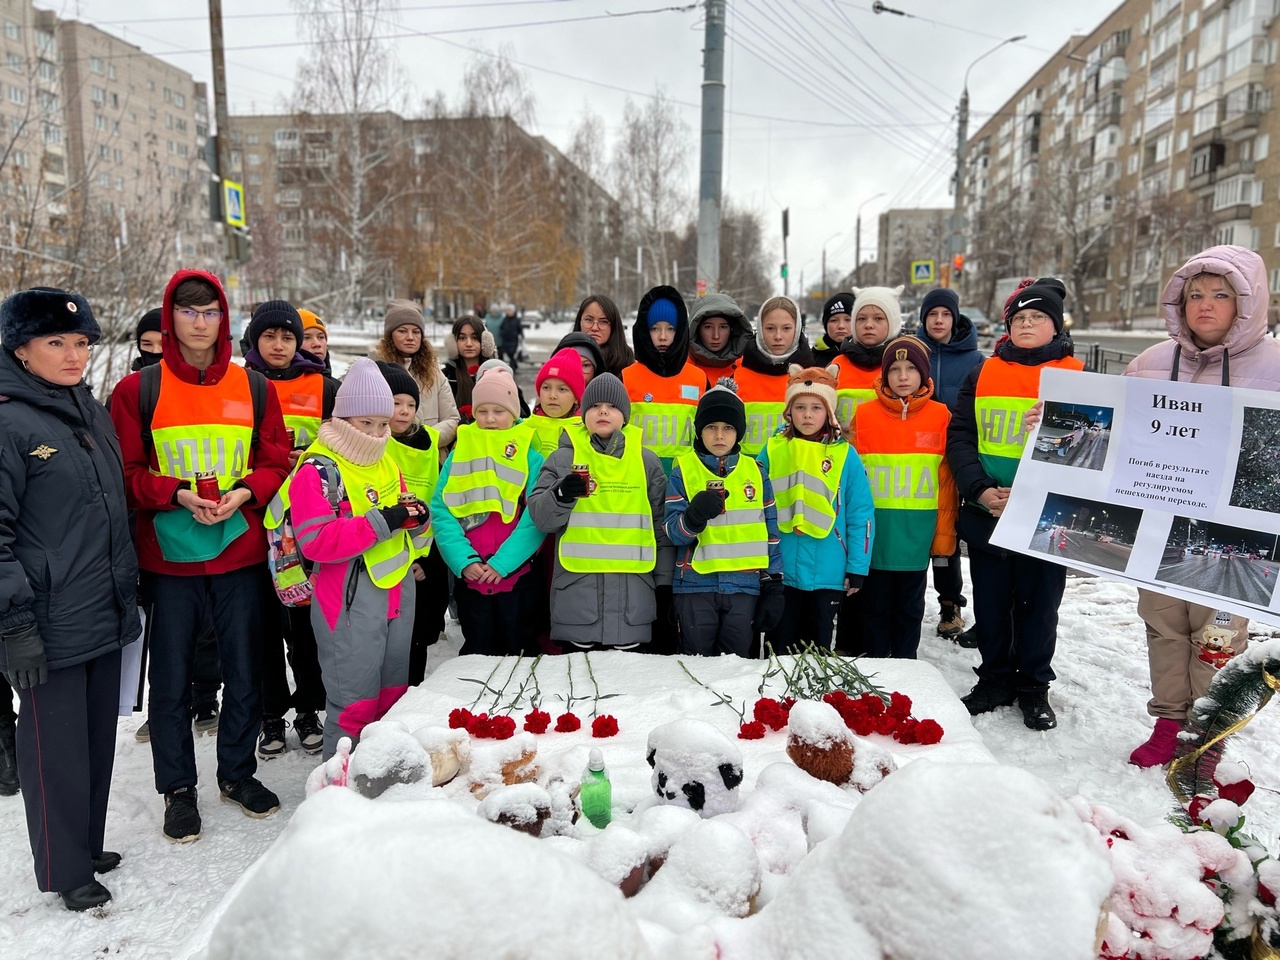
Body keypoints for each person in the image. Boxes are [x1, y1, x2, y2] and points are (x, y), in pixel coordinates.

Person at [111, 269, 290, 843]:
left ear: (224, 318)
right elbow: (125, 474)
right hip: (169, 561)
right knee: (171, 683)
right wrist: (177, 493)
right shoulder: (137, 390)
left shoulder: (254, 387)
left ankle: (237, 774)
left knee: (245, 673)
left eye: (210, 311)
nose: (199, 322)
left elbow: (276, 460)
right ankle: (177, 789)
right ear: (170, 318)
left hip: (238, 552)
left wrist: (245, 492)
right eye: (188, 311)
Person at [0, 287, 141, 910]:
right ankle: (63, 868)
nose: (73, 354)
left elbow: (109, 512)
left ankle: (83, 843)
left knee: (90, 742)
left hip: (99, 607)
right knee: (51, 749)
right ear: (20, 347)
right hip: (46, 619)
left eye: (81, 342)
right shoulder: (9, 419)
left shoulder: (84, 407)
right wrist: (14, 625)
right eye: (56, 342)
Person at [1124, 245, 1280, 766]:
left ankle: (1206, 735)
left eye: (1220, 294)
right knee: (1164, 625)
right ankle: (1169, 722)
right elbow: (1118, 428)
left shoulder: (1276, 366)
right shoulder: (1151, 363)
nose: (1205, 305)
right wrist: (1050, 415)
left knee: (1217, 635)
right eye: (1194, 295)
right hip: (1162, 525)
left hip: (1238, 535)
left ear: (1246, 302)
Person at [946, 277, 1084, 731]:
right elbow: (961, 436)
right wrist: (980, 489)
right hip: (990, 509)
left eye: (1037, 317)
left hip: (1048, 516)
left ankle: (1033, 687)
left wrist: (1061, 426)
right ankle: (995, 679)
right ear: (1007, 326)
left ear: (1054, 325)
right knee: (991, 602)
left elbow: (1098, 449)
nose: (1027, 324)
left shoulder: (1077, 377)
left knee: (1039, 606)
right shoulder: (982, 372)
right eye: (1019, 318)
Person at [279, 358, 427, 759]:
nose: (378, 433)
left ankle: (385, 784)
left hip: (395, 595)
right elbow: (316, 541)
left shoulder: (386, 461)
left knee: (392, 701)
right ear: (343, 418)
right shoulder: (318, 469)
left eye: (383, 424)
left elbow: (403, 523)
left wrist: (417, 520)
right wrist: (383, 521)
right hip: (346, 603)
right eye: (367, 423)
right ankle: (338, 796)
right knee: (353, 707)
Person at [244, 300, 339, 758]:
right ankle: (270, 715)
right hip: (254, 518)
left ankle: (308, 708)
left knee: (304, 622)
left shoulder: (324, 386)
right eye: (269, 337)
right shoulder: (240, 385)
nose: (279, 345)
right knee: (262, 624)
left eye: (287, 337)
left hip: (307, 523)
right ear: (255, 341)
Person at [529, 374, 673, 650]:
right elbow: (541, 518)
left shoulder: (647, 461)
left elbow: (660, 527)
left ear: (626, 416)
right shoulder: (562, 459)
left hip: (634, 604)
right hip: (577, 605)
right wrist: (561, 494)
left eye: (612, 406)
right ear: (583, 414)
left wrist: (664, 586)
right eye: (594, 406)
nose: (603, 411)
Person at [849, 336, 957, 659]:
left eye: (911, 368)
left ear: (924, 374)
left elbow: (947, 485)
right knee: (875, 608)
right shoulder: (864, 415)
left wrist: (943, 538)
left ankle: (906, 669)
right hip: (875, 536)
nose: (903, 376)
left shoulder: (940, 416)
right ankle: (876, 672)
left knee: (910, 609)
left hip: (916, 536)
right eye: (894, 369)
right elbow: (851, 480)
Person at [758, 364, 875, 654]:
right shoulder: (772, 449)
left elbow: (862, 513)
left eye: (815, 407)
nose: (807, 415)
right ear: (789, 411)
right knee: (779, 647)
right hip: (781, 568)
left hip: (828, 571)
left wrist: (857, 567)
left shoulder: (844, 454)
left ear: (829, 413)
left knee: (818, 648)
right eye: (799, 407)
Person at [431, 367, 546, 656]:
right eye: (482, 410)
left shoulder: (530, 456)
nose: (490, 419)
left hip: (516, 578)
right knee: (478, 657)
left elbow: (535, 516)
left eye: (499, 410)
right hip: (472, 578)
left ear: (514, 412)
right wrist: (463, 560)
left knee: (521, 655)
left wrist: (504, 563)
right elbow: (441, 510)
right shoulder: (460, 452)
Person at [664, 381, 783, 657]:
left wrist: (774, 584)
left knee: (739, 670)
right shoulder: (682, 469)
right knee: (695, 666)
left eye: (728, 428)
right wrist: (692, 518)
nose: (720, 435)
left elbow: (771, 532)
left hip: (745, 588)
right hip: (695, 586)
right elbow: (671, 532)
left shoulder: (756, 471)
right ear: (700, 430)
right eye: (711, 427)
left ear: (738, 432)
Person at [917, 287, 984, 645]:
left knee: (948, 535)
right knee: (918, 529)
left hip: (955, 455)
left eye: (945, 314)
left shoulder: (974, 359)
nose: (939, 321)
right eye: (932, 315)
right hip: (914, 453)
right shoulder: (912, 354)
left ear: (954, 318)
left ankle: (949, 604)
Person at [377, 360, 448, 685]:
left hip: (425, 545)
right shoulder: (373, 442)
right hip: (387, 548)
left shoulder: (428, 441)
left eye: (410, 404)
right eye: (395, 403)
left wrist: (420, 556)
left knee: (419, 632)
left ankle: (413, 692)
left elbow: (435, 494)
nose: (404, 411)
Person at [622, 286, 708, 474]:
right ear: (644, 331)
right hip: (638, 480)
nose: (663, 336)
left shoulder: (698, 378)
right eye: (655, 329)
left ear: (680, 331)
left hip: (686, 481)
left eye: (670, 329)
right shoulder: (627, 378)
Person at [734, 295, 814, 456]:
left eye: (786, 328)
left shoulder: (813, 379)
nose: (778, 336)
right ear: (760, 329)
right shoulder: (737, 378)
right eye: (770, 328)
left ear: (797, 329)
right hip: (748, 475)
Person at [376, 299, 459, 446]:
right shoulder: (374, 372)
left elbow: (452, 420)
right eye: (402, 331)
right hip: (387, 457)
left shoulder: (434, 374)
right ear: (390, 335)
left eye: (416, 332)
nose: (410, 337)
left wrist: (426, 439)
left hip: (429, 461)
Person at [833, 285, 904, 430]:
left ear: (893, 323)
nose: (869, 325)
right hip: (845, 452)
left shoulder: (906, 365)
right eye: (861, 319)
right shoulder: (837, 365)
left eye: (878, 318)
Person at [527, 348, 586, 457]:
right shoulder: (525, 428)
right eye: (546, 387)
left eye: (562, 389)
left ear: (576, 398)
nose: (552, 396)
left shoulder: (586, 432)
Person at [687, 292, 752, 385]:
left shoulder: (747, 367)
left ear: (733, 330)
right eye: (708, 327)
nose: (716, 336)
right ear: (696, 329)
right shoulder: (679, 369)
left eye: (723, 327)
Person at [442, 315, 495, 423]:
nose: (469, 344)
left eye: (475, 338)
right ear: (453, 342)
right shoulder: (445, 377)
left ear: (485, 341)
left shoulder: (498, 374)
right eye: (462, 338)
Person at [573, 294, 634, 379]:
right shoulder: (563, 358)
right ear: (579, 322)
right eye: (589, 320)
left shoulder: (628, 368)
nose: (595, 328)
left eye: (603, 322)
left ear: (613, 326)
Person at [812, 292, 855, 367]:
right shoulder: (811, 359)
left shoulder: (866, 356)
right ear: (826, 324)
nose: (841, 326)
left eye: (848, 320)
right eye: (834, 320)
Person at [298, 308, 332, 376]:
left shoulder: (337, 385)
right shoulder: (273, 384)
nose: (317, 344)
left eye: (321, 337)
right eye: (307, 338)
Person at [500, 303, 522, 372]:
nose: (508, 312)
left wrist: (520, 335)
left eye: (510, 310)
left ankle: (513, 368)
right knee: (508, 354)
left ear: (513, 311)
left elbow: (520, 330)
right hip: (505, 340)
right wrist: (503, 333)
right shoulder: (505, 319)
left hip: (513, 340)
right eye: (507, 310)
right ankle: (514, 366)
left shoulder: (516, 320)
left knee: (511, 354)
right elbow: (501, 327)